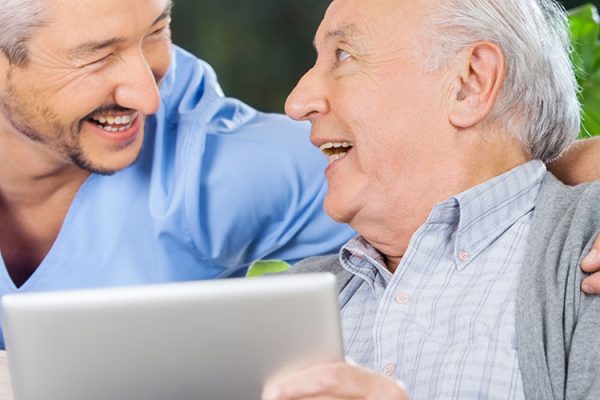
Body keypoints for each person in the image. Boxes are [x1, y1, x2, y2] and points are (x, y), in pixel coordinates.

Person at [262, 0, 600, 399]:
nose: (297, 102)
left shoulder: (585, 261)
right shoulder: (280, 309)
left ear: (470, 83)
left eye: (343, 55)